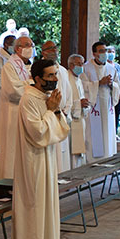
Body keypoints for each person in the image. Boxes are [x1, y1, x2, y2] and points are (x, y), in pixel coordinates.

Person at [12, 59, 70, 239]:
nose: (55, 79)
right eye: (50, 76)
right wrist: (50, 110)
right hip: (32, 160)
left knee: (47, 204)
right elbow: (37, 132)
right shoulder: (28, 98)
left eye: (55, 74)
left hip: (46, 158)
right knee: (34, 204)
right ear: (37, 78)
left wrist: (54, 110)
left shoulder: (45, 97)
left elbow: (61, 128)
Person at [0, 35, 34, 180]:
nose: (31, 48)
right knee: (12, 149)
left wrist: (30, 84)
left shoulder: (29, 65)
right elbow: (13, 91)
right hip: (13, 112)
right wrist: (31, 85)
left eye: (32, 45)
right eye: (28, 45)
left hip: (27, 112)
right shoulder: (9, 66)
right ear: (18, 48)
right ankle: (10, 181)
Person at [81, 41, 120, 161]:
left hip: (107, 106)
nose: (105, 53)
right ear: (94, 53)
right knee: (94, 134)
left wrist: (111, 85)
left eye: (106, 51)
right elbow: (82, 85)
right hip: (94, 107)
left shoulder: (111, 68)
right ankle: (93, 160)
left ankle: (108, 157)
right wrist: (98, 83)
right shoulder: (86, 68)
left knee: (107, 133)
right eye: (101, 51)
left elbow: (118, 85)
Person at [40, 41, 72, 172]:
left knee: (62, 152)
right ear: (43, 52)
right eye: (50, 48)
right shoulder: (38, 69)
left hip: (61, 114)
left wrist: (66, 110)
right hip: (48, 113)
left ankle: (63, 177)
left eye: (55, 48)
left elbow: (69, 93)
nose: (54, 50)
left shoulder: (63, 70)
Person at [65, 54, 90, 168]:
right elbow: (65, 100)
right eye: (79, 64)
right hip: (70, 120)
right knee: (71, 151)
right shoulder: (66, 78)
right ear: (71, 65)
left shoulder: (78, 80)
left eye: (82, 63)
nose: (81, 66)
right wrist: (78, 104)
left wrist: (84, 104)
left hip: (79, 119)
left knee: (79, 151)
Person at [107, 46, 120, 133]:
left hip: (119, 95)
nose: (111, 54)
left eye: (112, 51)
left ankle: (115, 132)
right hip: (109, 95)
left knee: (116, 115)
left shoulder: (117, 66)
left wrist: (118, 90)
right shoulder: (104, 66)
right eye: (109, 52)